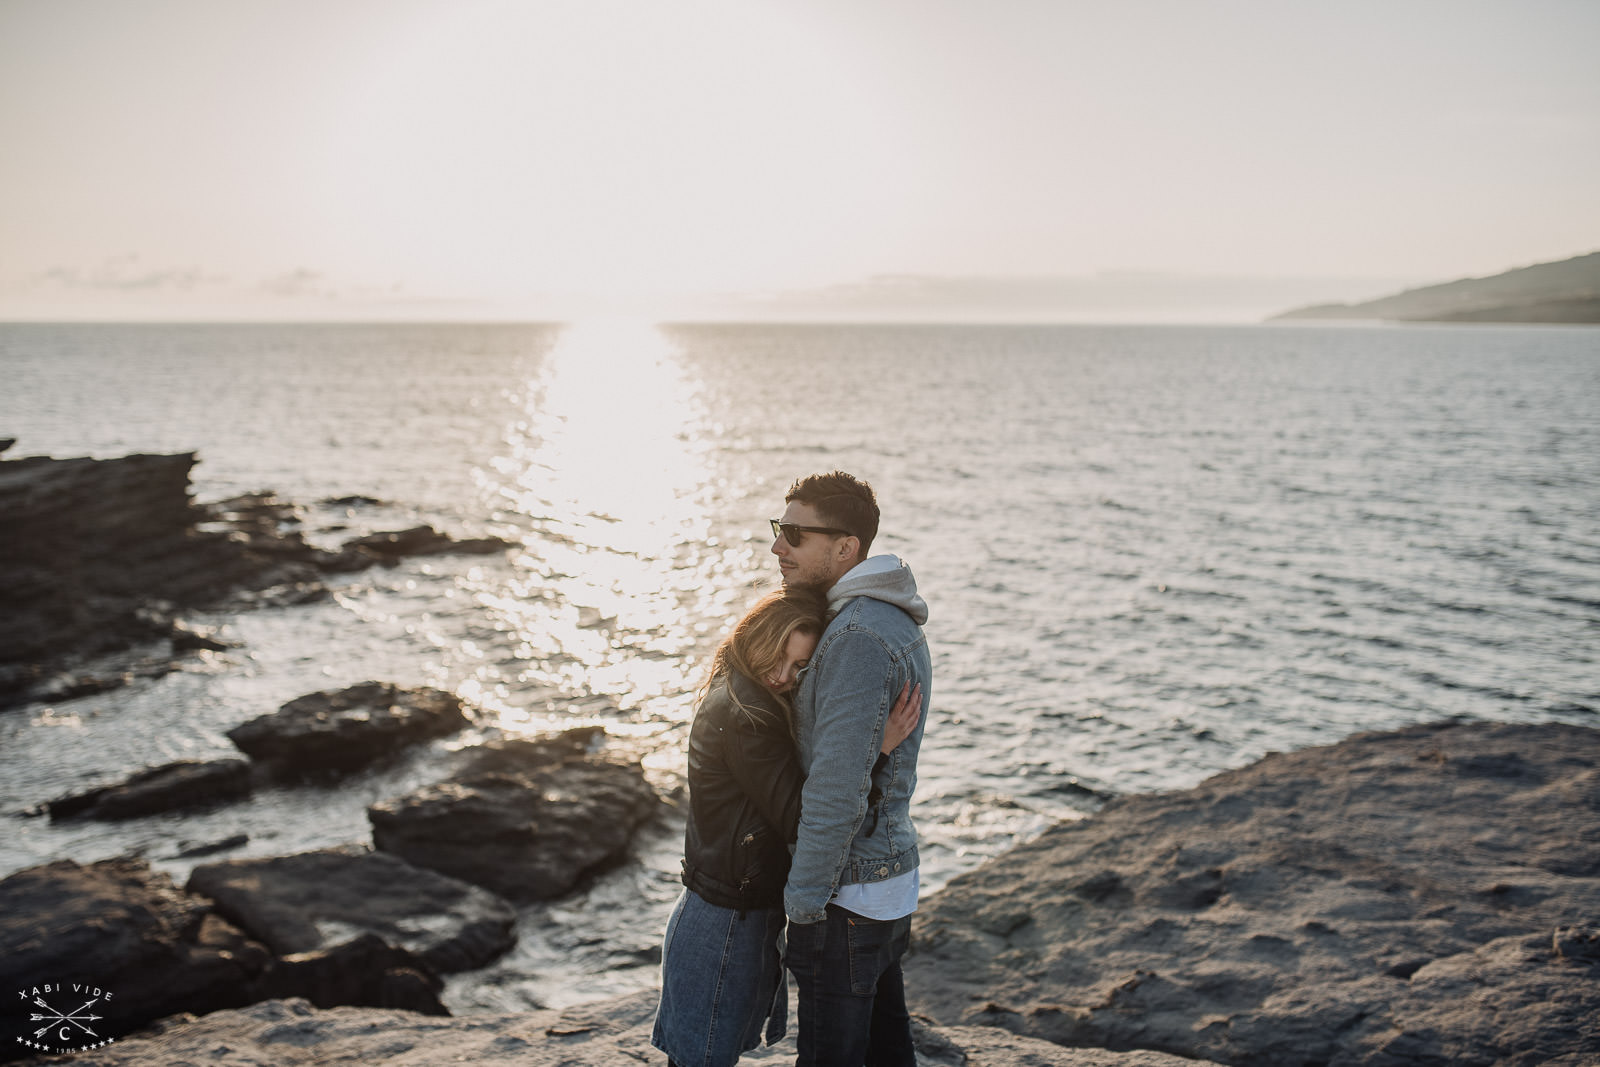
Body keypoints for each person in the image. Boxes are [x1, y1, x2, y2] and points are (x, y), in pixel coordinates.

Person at [652, 588, 922, 1067]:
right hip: (725, 916)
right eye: (780, 657)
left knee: (704, 1052)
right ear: (757, 636)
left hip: (730, 905)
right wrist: (874, 754)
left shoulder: (744, 694)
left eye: (800, 668)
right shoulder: (747, 716)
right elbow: (803, 816)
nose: (783, 676)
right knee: (702, 1057)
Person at [772, 470, 932, 1066]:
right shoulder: (885, 620)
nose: (777, 547)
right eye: (778, 529)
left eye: (794, 534)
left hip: (850, 893)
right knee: (889, 1050)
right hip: (883, 884)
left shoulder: (858, 638)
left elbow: (836, 791)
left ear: (846, 548)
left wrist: (803, 905)